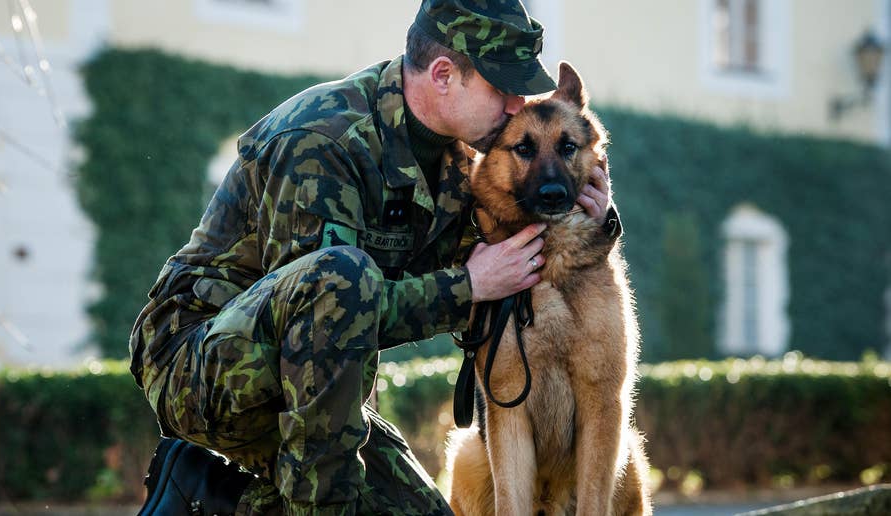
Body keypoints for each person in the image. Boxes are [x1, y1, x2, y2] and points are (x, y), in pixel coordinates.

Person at [129, 0, 614, 514]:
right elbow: (327, 313)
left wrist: (592, 216)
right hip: (201, 364)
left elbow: (503, 259)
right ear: (445, 75)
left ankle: (207, 492)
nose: (518, 105)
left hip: (308, 383)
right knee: (342, 277)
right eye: (503, 87)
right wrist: (467, 287)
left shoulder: (460, 156)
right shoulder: (323, 140)